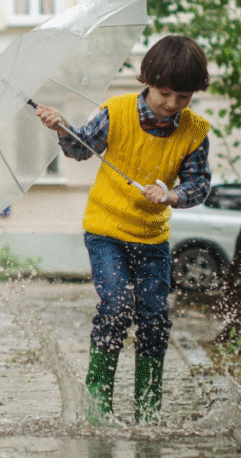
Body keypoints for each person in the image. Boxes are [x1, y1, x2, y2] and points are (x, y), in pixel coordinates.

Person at [36, 35, 212, 426]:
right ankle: (97, 410)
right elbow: (80, 149)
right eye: (165, 93)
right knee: (115, 309)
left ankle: (148, 413)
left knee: (153, 319)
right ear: (147, 80)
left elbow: (199, 185)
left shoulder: (195, 131)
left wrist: (173, 195)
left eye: (183, 97)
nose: (172, 104)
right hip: (106, 231)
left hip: (152, 238)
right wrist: (62, 128)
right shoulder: (116, 112)